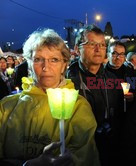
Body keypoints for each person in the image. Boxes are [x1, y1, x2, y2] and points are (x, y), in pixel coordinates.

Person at [0, 29, 99, 166]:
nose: (46, 67)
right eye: (38, 59)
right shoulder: (6, 107)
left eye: (54, 60)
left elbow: (86, 158)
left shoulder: (78, 107)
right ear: (29, 64)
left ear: (64, 65)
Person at [66, 25, 124, 166]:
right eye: (92, 44)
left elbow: (118, 114)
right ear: (77, 49)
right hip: (77, 152)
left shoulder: (112, 79)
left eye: (102, 45)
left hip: (109, 148)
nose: (98, 49)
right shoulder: (66, 81)